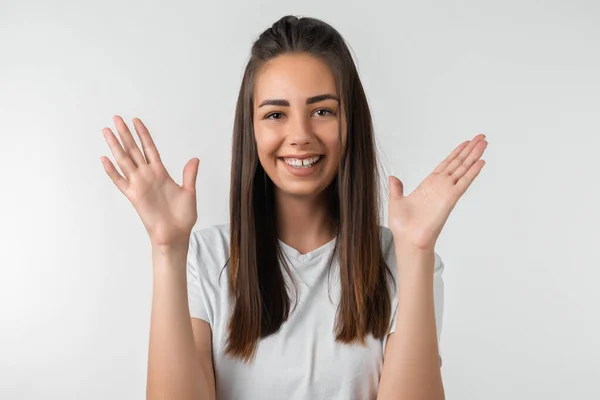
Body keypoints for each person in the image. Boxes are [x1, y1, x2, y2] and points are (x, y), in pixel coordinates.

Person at [100, 15, 487, 400]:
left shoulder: (405, 260)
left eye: (323, 111)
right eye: (275, 114)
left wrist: (417, 252)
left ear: (351, 122)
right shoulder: (203, 259)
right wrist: (167, 249)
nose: (300, 135)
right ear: (251, 130)